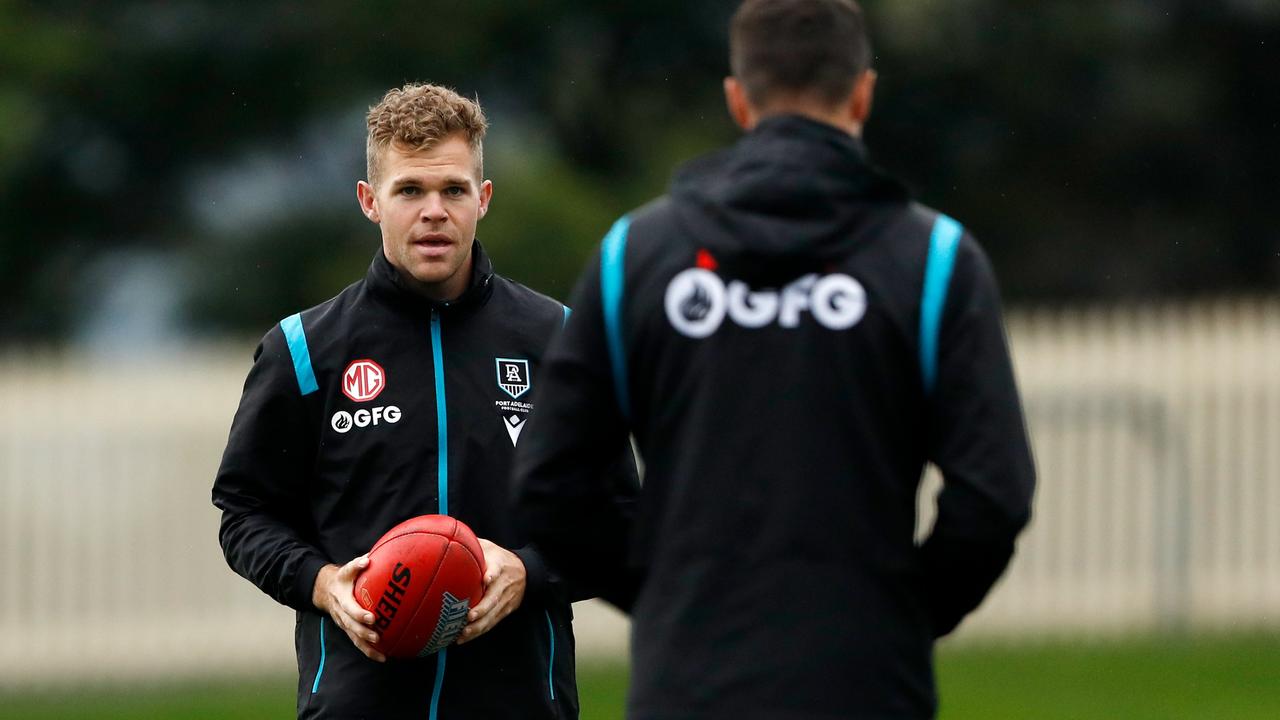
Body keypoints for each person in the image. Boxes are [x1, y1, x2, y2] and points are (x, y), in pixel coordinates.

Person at [513, 1, 1037, 718]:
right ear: (862, 93)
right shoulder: (935, 260)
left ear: (738, 99)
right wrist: (898, 614)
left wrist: (668, 596)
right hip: (868, 683)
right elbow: (993, 497)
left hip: (688, 683)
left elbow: (549, 484)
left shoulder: (636, 257)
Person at [213, 82, 636, 720]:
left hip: (521, 702)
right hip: (358, 705)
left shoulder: (559, 340)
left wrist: (528, 573)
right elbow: (245, 513)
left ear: (483, 199)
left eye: (453, 190)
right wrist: (324, 585)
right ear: (370, 201)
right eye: (409, 190)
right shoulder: (305, 350)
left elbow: (617, 516)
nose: (433, 211)